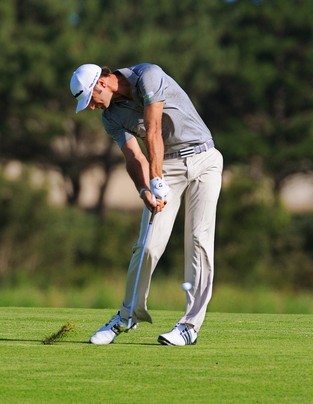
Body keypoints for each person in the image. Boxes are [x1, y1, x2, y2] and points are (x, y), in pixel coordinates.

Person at [70, 63, 223, 346]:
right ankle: (127, 317)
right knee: (148, 245)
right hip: (167, 166)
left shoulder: (148, 76)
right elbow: (133, 156)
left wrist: (156, 178)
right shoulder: (111, 118)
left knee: (200, 240)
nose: (91, 107)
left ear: (102, 83)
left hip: (204, 159)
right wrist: (144, 188)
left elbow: (153, 130)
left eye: (90, 98)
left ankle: (190, 325)